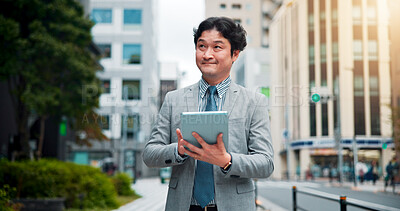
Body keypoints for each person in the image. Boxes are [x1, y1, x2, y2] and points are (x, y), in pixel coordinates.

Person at [143, 17, 274, 211]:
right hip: (183, 206)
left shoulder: (254, 102)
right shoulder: (173, 99)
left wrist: (227, 161)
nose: (207, 54)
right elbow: (149, 154)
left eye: (217, 47)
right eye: (201, 46)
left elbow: (266, 163)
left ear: (235, 54)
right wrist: (178, 150)